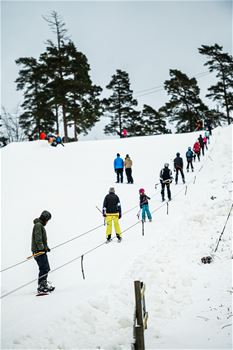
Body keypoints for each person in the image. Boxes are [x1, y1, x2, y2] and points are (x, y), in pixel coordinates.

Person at [31, 210, 55, 293]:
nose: (47, 222)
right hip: (39, 252)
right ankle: (41, 286)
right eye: (48, 220)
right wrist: (41, 248)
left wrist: (46, 248)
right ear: (45, 218)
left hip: (41, 251)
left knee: (46, 268)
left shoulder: (40, 225)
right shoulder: (38, 225)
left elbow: (42, 240)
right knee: (44, 268)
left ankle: (43, 284)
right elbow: (38, 238)